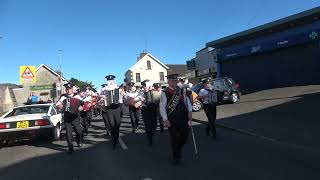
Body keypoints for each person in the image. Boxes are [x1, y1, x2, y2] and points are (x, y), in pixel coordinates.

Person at [159, 74, 193, 165]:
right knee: (174, 138)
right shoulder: (164, 92)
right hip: (172, 118)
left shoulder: (182, 90)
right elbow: (162, 107)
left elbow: (187, 101)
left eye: (175, 81)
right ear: (168, 81)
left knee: (184, 136)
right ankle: (176, 156)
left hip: (183, 117)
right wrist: (165, 119)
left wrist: (190, 111)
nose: (174, 82)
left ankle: (178, 148)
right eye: (172, 80)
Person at [56, 82, 83, 154]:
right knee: (68, 133)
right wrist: (59, 106)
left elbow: (82, 104)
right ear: (65, 89)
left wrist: (81, 107)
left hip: (75, 117)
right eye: (67, 89)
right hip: (67, 117)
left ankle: (78, 140)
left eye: (70, 89)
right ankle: (70, 148)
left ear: (72, 89)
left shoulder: (77, 96)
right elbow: (57, 104)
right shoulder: (63, 97)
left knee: (79, 131)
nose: (68, 90)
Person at [100, 75, 122, 149]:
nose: (110, 81)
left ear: (113, 80)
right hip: (109, 109)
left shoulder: (117, 87)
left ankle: (116, 136)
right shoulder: (104, 89)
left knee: (118, 124)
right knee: (112, 125)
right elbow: (99, 98)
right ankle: (114, 141)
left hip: (117, 108)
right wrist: (102, 97)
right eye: (109, 80)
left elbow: (123, 96)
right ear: (107, 81)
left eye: (111, 80)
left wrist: (122, 95)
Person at [140, 80, 158, 145]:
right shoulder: (141, 93)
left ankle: (151, 134)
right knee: (147, 125)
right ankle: (149, 137)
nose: (145, 87)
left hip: (153, 109)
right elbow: (138, 100)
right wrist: (140, 100)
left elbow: (158, 99)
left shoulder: (153, 92)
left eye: (146, 86)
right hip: (145, 110)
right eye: (144, 86)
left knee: (154, 124)